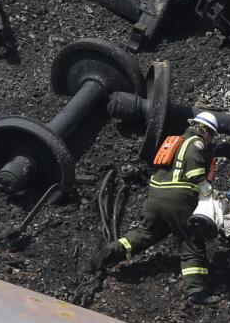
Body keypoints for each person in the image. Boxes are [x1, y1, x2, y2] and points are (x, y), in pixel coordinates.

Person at [87, 112, 221, 305]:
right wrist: (206, 189)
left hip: (155, 197)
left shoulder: (176, 141)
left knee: (146, 233)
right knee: (191, 241)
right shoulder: (196, 143)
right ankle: (196, 291)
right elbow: (194, 172)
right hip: (178, 200)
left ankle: (109, 253)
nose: (210, 138)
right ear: (206, 130)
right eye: (211, 134)